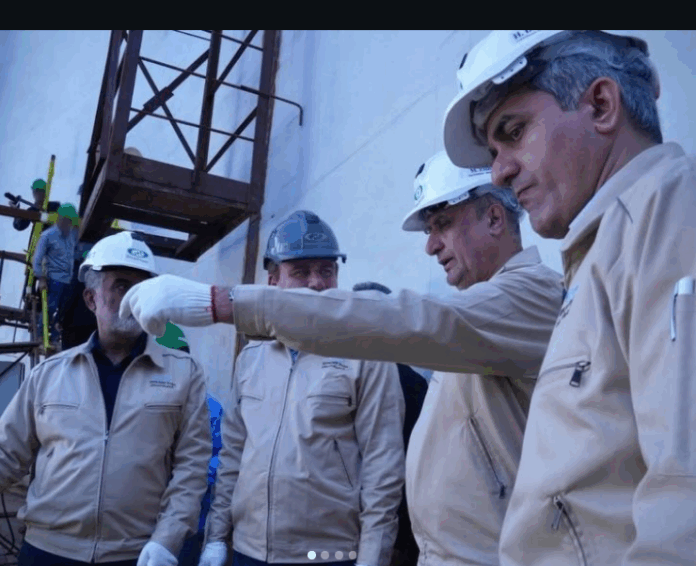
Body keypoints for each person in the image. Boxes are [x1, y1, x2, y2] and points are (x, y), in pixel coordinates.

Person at [119, 159, 563, 565]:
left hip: (337, 555)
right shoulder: (252, 359)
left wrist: (221, 303)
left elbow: (383, 464)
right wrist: (218, 538)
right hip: (257, 550)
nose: (430, 245)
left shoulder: (524, 299)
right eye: (300, 272)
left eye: (442, 224)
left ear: (494, 218)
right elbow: (233, 450)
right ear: (273, 278)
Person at [443, 29, 696, 565]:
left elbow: (686, 490)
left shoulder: (670, 208)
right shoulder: (605, 250)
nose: (499, 172)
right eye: (494, 150)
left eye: (514, 132)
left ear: (601, 105)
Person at [0, 231, 211, 566]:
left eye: (142, 290)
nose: (133, 299)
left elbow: (192, 468)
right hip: (47, 551)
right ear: (90, 299)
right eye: (121, 286)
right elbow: (6, 453)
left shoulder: (184, 374)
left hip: (136, 554)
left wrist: (168, 539)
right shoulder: (48, 375)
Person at [352, 282, 426, 566]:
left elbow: (412, 465)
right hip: (341, 530)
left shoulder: (413, 386)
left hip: (389, 533)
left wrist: (400, 541)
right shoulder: (337, 378)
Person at [32, 203, 79, 348]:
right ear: (60, 219)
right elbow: (37, 259)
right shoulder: (47, 236)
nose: (69, 224)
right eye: (67, 220)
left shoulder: (72, 234)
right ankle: (41, 337)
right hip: (54, 280)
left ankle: (55, 339)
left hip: (68, 280)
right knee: (50, 308)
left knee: (63, 313)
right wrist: (41, 279)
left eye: (71, 221)